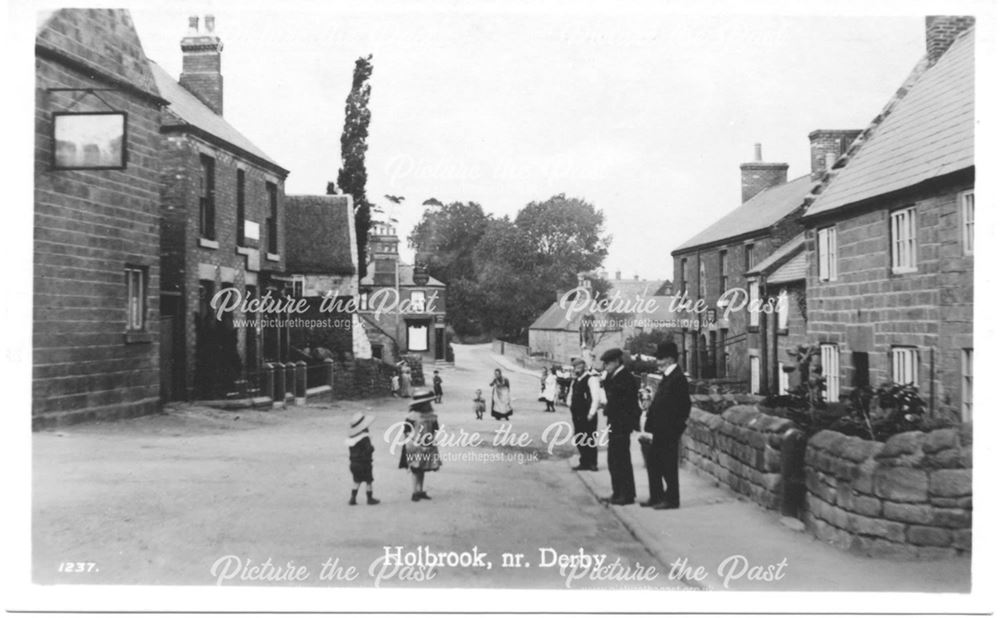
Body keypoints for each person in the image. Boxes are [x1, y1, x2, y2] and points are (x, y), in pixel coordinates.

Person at [640, 341, 691, 510]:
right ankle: (656, 496)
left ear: (669, 359)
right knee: (654, 464)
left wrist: (675, 429)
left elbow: (684, 407)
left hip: (668, 431)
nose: (657, 362)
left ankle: (671, 500)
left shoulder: (678, 378)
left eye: (660, 359)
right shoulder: (668, 376)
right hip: (659, 430)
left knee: (669, 466)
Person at [599, 347, 640, 505]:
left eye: (608, 363)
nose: (605, 367)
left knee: (621, 459)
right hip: (614, 423)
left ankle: (627, 495)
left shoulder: (625, 377)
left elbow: (625, 403)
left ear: (617, 362)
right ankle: (617, 492)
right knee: (613, 459)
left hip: (622, 424)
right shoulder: (613, 376)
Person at [399, 387, 441, 501]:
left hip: (427, 444)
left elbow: (435, 430)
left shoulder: (432, 416)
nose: (428, 405)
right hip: (414, 445)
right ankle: (414, 491)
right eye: (426, 403)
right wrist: (416, 441)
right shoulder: (411, 416)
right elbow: (407, 431)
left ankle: (420, 490)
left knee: (423, 468)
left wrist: (431, 441)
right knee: (415, 468)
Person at [569, 357, 601, 471]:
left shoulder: (591, 379)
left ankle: (592, 463)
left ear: (584, 367)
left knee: (589, 438)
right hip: (577, 414)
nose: (576, 369)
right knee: (579, 438)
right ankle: (584, 461)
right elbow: (571, 394)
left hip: (587, 414)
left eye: (579, 367)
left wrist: (591, 413)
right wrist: (569, 404)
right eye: (575, 367)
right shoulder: (576, 380)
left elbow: (596, 398)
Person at [346, 412, 380, 505]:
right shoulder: (365, 438)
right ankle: (370, 498)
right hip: (364, 463)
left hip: (353, 463)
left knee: (356, 481)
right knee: (369, 481)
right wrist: (372, 448)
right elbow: (369, 449)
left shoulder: (351, 439)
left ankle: (353, 498)